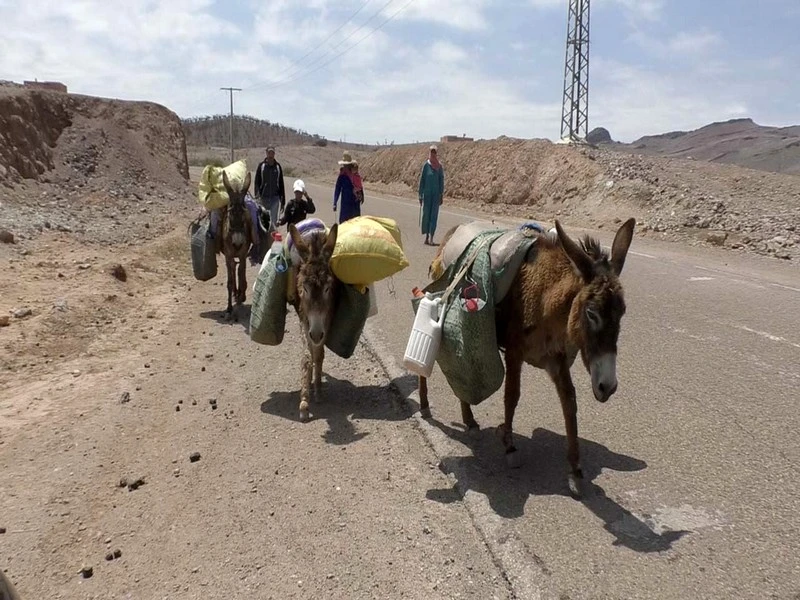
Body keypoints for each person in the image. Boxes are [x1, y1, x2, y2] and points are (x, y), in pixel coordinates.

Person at [254, 146, 286, 232]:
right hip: (263, 198)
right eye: (269, 153)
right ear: (266, 153)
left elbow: (281, 183)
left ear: (274, 154)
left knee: (273, 223)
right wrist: (257, 195)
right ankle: (263, 241)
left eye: (272, 153)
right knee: (263, 222)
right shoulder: (261, 166)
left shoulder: (278, 167)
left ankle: (272, 242)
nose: (271, 155)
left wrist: (283, 201)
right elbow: (257, 182)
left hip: (274, 199)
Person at [418, 145, 445, 245]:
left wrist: (441, 194)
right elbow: (422, 181)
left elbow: (441, 180)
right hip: (427, 195)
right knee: (426, 216)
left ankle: (432, 238)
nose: (433, 154)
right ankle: (426, 236)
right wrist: (420, 195)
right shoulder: (426, 166)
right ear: (429, 153)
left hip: (436, 196)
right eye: (431, 152)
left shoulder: (439, 167)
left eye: (434, 152)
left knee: (434, 216)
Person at [333, 152, 361, 224]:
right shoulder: (342, 176)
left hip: (355, 203)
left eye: (347, 164)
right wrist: (335, 202)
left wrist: (361, 195)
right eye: (344, 164)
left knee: (355, 223)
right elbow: (338, 188)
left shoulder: (355, 174)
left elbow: (359, 186)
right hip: (345, 203)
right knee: (344, 223)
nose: (345, 166)